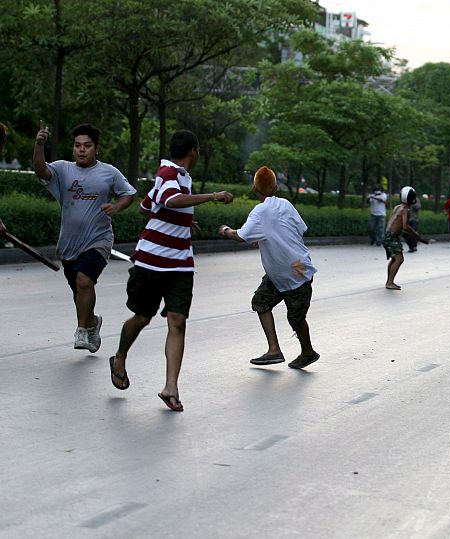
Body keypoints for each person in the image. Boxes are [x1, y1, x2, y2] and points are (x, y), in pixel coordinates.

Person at [108, 130, 233, 411]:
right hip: (151, 261)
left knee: (177, 320)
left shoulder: (177, 177)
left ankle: (171, 388)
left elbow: (146, 208)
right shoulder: (169, 172)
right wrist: (213, 196)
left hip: (180, 263)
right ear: (194, 152)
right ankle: (119, 357)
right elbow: (170, 200)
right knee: (141, 317)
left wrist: (181, 222)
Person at [33, 123, 137, 353]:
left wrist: (116, 207)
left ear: (96, 148)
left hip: (98, 240)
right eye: (78, 146)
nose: (82, 150)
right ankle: (91, 322)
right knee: (80, 292)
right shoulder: (62, 169)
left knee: (84, 281)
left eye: (87, 146)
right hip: (69, 244)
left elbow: (129, 194)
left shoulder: (109, 172)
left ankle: (81, 330)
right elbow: (41, 171)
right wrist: (39, 144)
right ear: (73, 149)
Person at [218, 166, 320, 369]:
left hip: (284, 270)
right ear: (275, 187)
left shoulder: (260, 211)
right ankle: (278, 351)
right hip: (296, 266)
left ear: (255, 188)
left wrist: (225, 230)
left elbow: (241, 236)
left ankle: (305, 352)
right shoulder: (286, 204)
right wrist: (268, 238)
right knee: (270, 305)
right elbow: (300, 229)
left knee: (290, 313)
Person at [384, 186, 429, 290]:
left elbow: (394, 223)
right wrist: (415, 235)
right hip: (392, 237)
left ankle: (389, 281)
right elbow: (405, 226)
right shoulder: (405, 210)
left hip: (387, 235)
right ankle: (390, 282)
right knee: (399, 259)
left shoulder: (397, 207)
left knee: (394, 258)